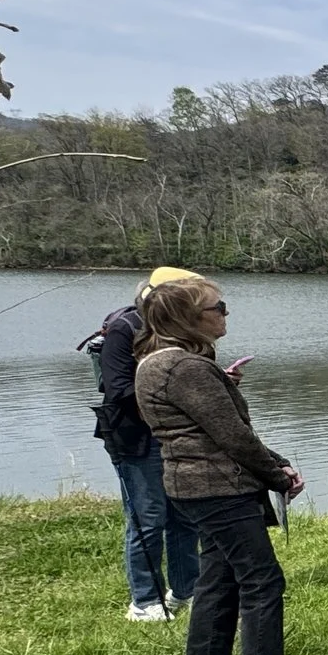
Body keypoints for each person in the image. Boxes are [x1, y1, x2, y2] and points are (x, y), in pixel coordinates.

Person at [132, 277, 317, 655]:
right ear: (190, 317)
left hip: (194, 487)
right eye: (220, 306)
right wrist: (278, 474)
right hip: (218, 489)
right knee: (262, 583)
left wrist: (276, 463)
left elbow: (216, 431)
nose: (225, 314)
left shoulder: (162, 363)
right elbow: (232, 436)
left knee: (219, 580)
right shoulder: (186, 368)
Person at [83, 265, 201, 622]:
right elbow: (117, 389)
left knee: (184, 517)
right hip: (136, 438)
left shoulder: (182, 331)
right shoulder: (125, 329)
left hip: (175, 434)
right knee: (148, 518)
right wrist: (173, 394)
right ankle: (145, 601)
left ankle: (185, 591)